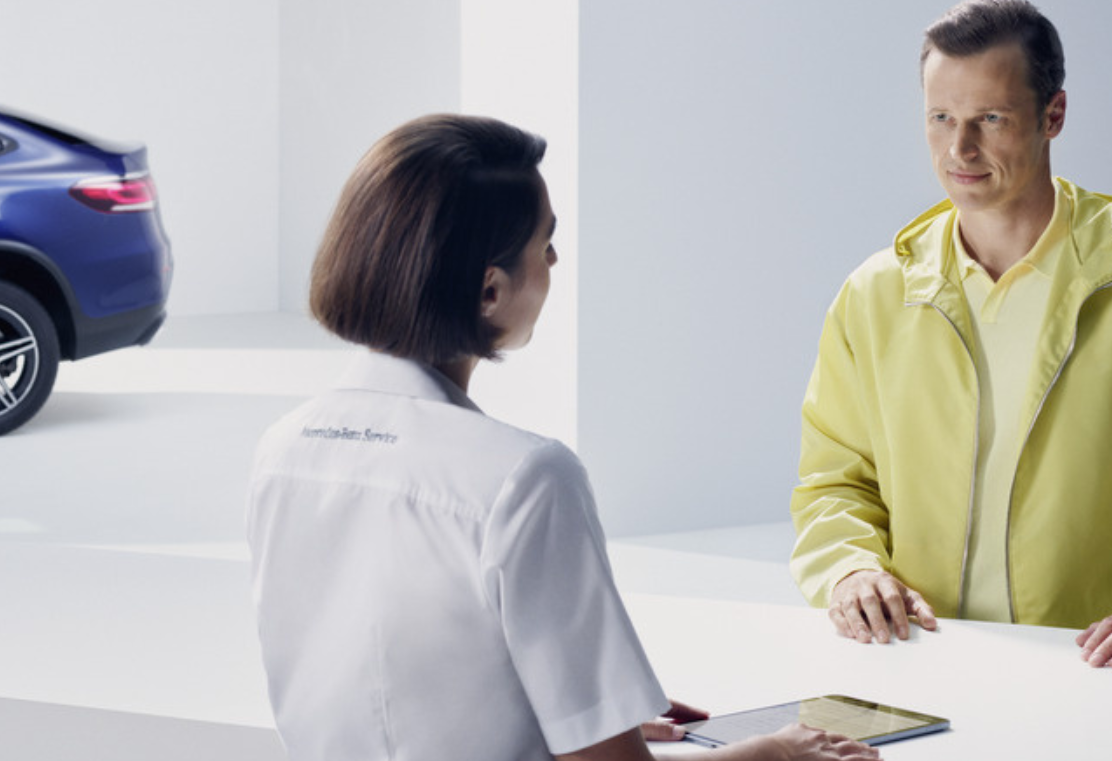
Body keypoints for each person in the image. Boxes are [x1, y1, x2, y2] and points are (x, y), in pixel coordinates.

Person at [249, 115, 878, 761]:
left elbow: (389, 687)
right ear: (489, 290)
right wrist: (769, 754)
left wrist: (588, 711)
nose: (554, 261)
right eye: (545, 243)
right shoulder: (525, 477)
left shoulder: (281, 451)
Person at [789, 0, 1112, 669]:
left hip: (1104, 665)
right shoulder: (877, 294)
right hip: (921, 661)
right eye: (940, 118)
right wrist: (850, 570)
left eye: (991, 118)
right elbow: (835, 481)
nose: (959, 149)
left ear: (1052, 115)